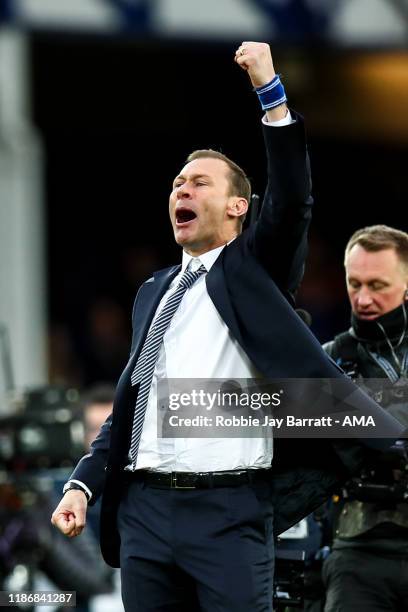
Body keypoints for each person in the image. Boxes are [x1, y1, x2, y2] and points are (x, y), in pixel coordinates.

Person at [51, 44, 403, 612]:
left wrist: (271, 91)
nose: (181, 191)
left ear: (239, 207)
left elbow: (291, 200)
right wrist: (81, 484)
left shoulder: (252, 270)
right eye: (176, 184)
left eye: (199, 183)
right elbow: (130, 407)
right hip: (143, 512)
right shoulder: (153, 292)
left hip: (228, 511)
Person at [322, 225, 408, 612]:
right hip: (358, 547)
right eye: (354, 284)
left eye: (377, 285)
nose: (363, 298)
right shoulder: (327, 359)